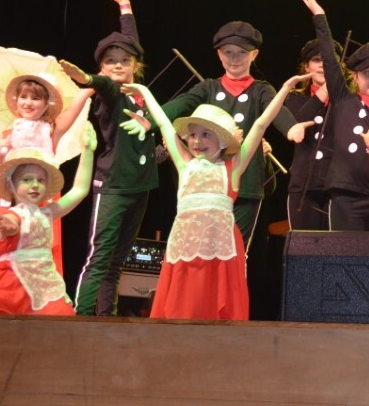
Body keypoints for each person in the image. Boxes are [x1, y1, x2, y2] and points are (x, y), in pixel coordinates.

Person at [121, 75, 310, 320]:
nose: (197, 141)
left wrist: (284, 88)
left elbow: (260, 124)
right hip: (186, 247)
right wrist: (145, 92)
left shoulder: (233, 168)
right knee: (182, 305)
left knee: (215, 305)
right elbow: (165, 125)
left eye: (206, 135)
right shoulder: (185, 164)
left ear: (222, 141)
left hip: (220, 250)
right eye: (193, 135)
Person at [130, 21, 305, 251]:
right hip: (209, 184)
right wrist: (150, 121)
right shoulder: (209, 88)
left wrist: (290, 127)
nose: (234, 59)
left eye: (241, 53)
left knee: (236, 251)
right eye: (228, 52)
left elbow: (274, 109)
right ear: (219, 55)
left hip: (245, 182)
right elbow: (180, 104)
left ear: (254, 55)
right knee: (204, 248)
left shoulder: (260, 90)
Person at [58, 0, 158, 316]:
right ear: (102, 67)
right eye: (110, 61)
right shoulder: (110, 92)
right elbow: (99, 83)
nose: (118, 65)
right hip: (113, 185)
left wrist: (126, 6)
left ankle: (107, 318)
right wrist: (86, 78)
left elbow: (132, 42)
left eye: (125, 61)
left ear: (135, 65)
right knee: (100, 258)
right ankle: (84, 317)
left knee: (118, 261)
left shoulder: (140, 92)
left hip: (140, 186)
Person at [0, 72, 93, 298]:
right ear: (16, 100)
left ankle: (37, 295)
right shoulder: (8, 133)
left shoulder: (51, 129)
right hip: (8, 199)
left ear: (47, 103)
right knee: (3, 248)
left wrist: (96, 83)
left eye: (36, 98)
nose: (28, 103)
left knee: (40, 248)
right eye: (24, 97)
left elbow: (77, 103)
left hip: (41, 199)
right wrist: (0, 151)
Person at [0, 124, 97, 315]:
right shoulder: (13, 214)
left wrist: (88, 152)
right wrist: (9, 227)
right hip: (12, 283)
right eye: (27, 179)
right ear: (12, 185)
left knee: (63, 317)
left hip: (43, 283)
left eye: (40, 180)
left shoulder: (47, 213)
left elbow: (79, 191)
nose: (35, 185)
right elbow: (11, 223)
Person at [301, 0, 369, 231]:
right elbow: (330, 59)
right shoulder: (343, 99)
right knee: (344, 250)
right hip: (344, 194)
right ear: (355, 76)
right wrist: (320, 16)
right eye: (368, 73)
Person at [284, 37, 341, 231]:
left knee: (336, 245)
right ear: (307, 66)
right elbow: (297, 122)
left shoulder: (347, 101)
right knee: (304, 244)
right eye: (317, 60)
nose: (323, 65)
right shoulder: (295, 97)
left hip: (337, 186)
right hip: (304, 185)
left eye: (329, 61)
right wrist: (325, 89)